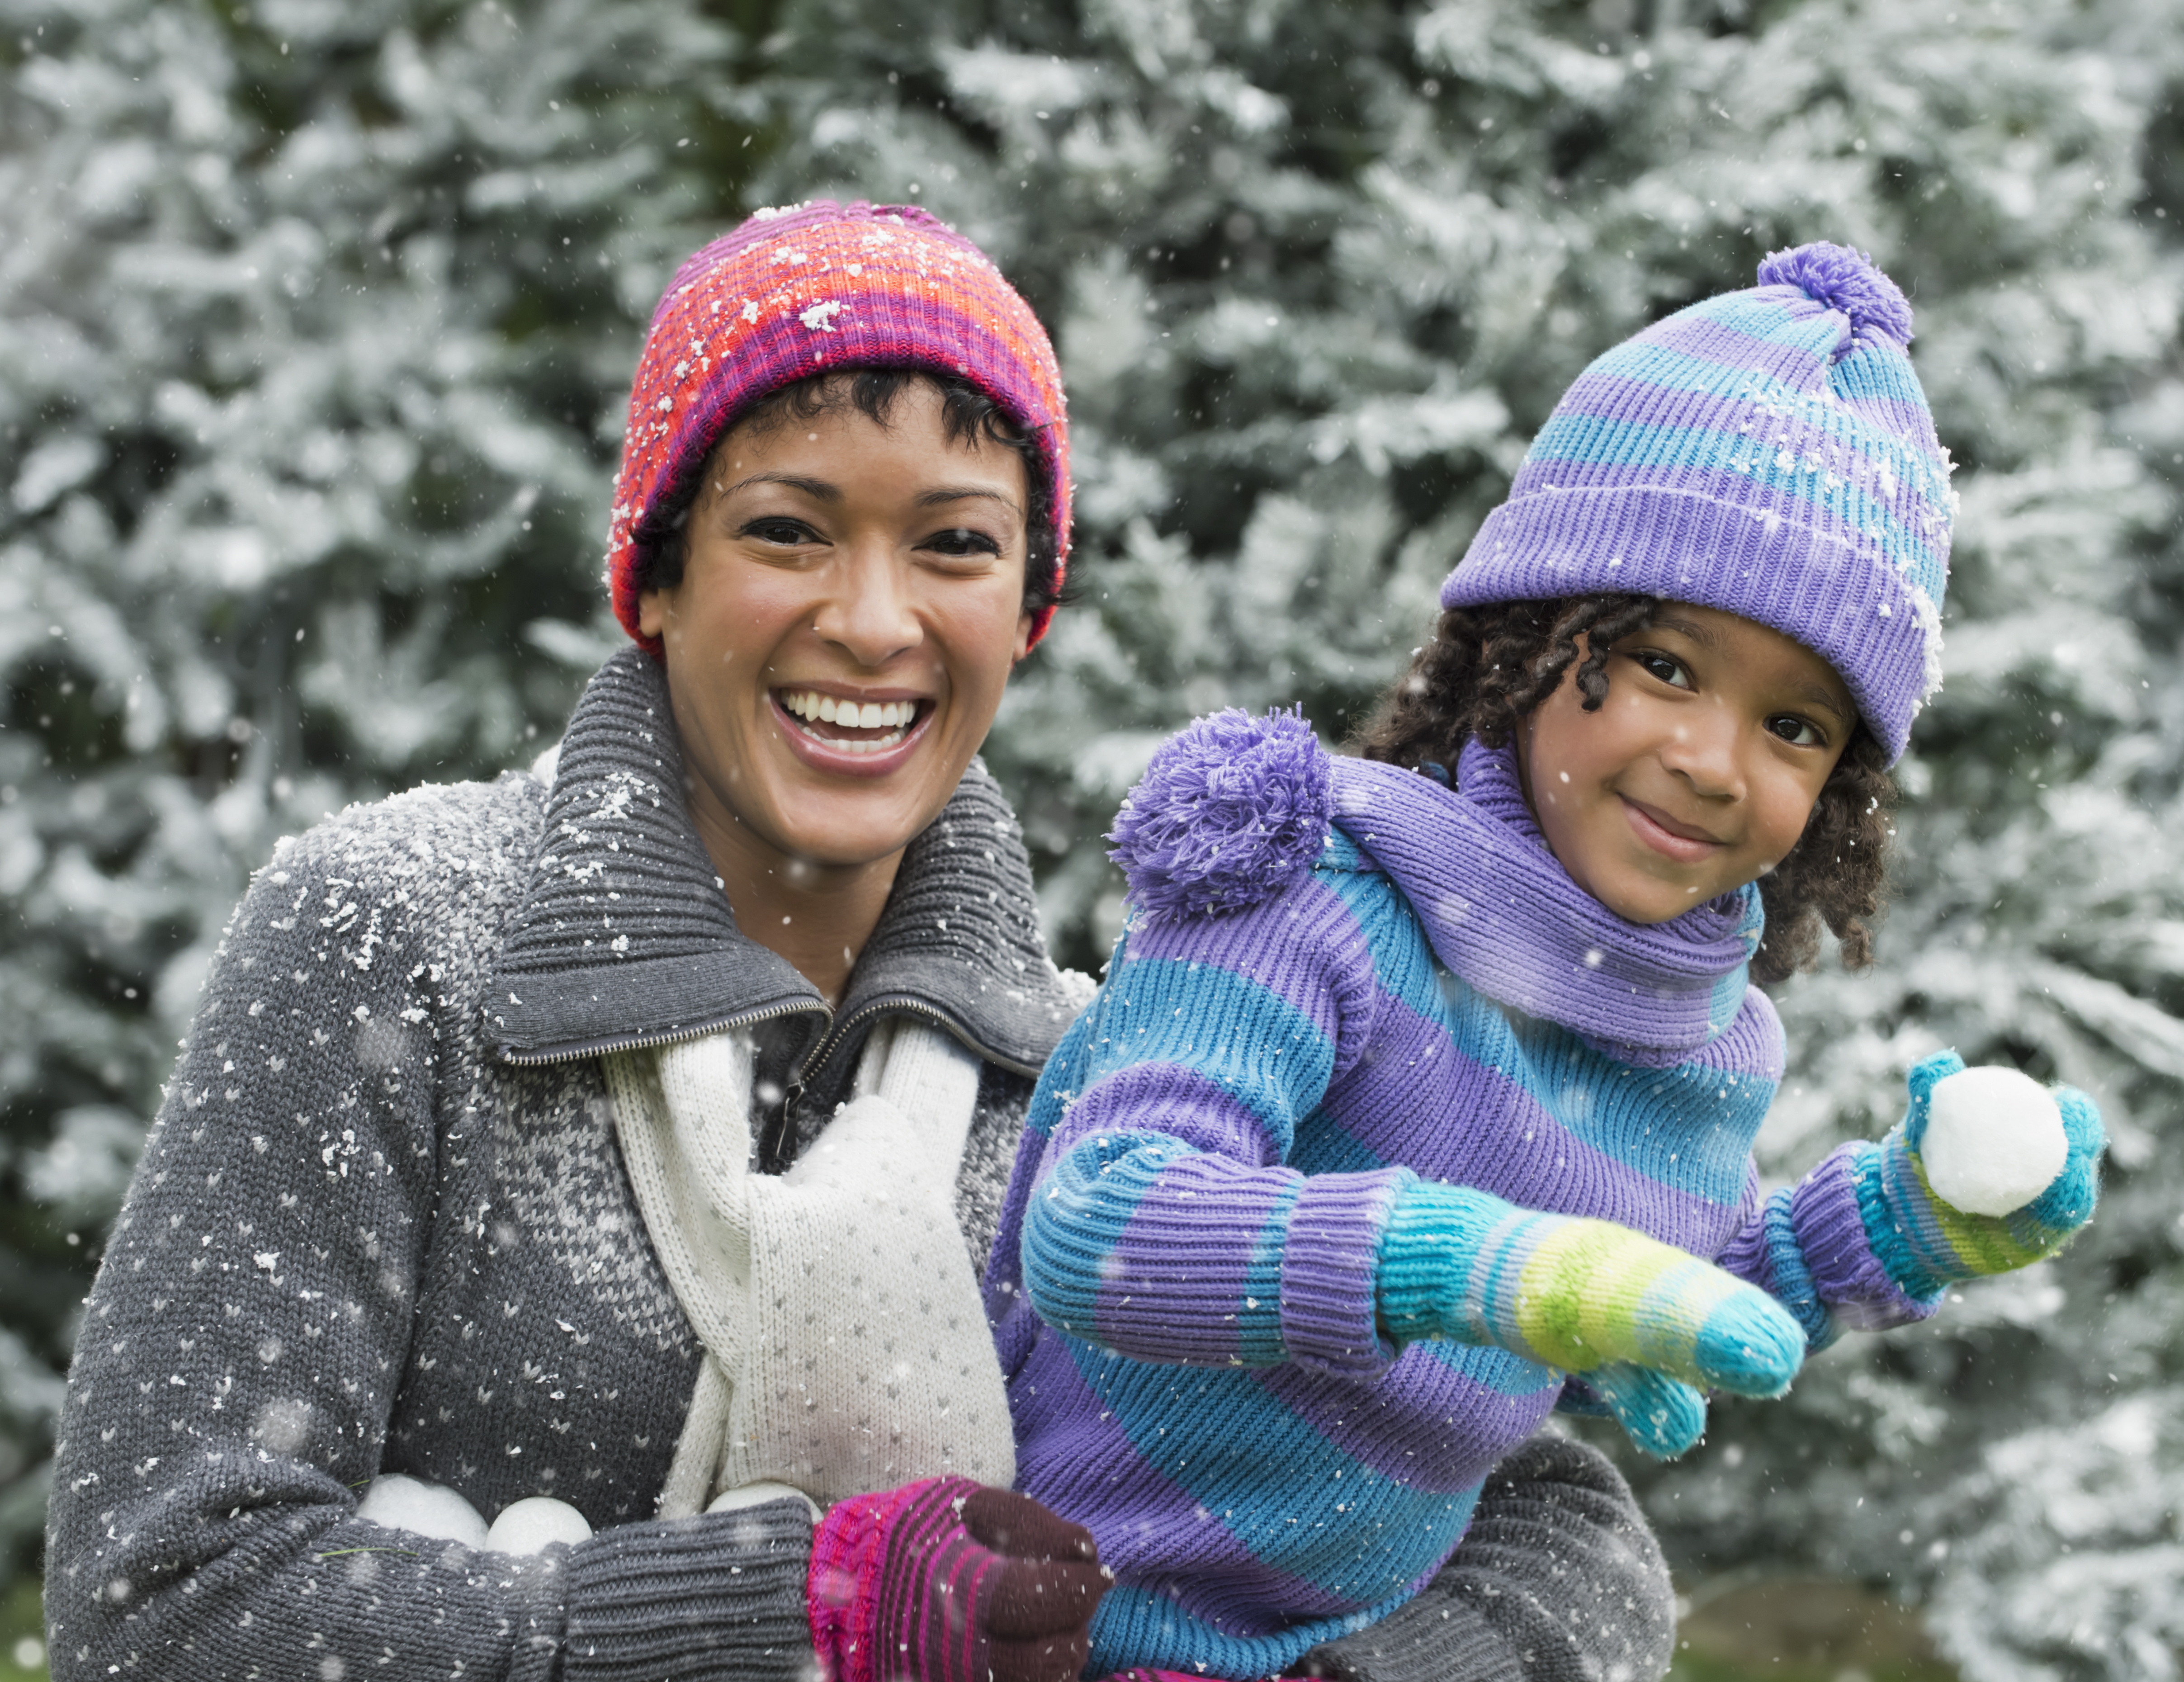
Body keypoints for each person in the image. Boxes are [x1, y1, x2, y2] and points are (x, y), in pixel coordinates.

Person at [45, 200, 1678, 1682]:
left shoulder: (1104, 1084)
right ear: (659, 576)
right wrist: (791, 1614)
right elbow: (166, 1600)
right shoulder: (397, 940)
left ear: (1024, 613)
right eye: (789, 530)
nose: (876, 619)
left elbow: (1556, 1527)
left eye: (956, 545)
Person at [986, 244, 2109, 1682]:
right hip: (1033, 1618)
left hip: (1335, 1651)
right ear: (1526, 640)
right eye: (1666, 667)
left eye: (1797, 727)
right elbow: (1104, 1221)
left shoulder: (1690, 1044)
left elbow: (1658, 1302)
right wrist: (1470, 1262)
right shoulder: (1312, 894)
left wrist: (1901, 1222)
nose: (1714, 763)